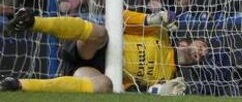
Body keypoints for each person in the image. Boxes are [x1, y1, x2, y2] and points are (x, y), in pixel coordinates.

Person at [0, 7, 208, 95]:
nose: (202, 52)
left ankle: (16, 84)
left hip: (101, 72)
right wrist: (151, 18)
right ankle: (31, 22)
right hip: (95, 47)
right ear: (183, 42)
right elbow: (120, 16)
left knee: (103, 86)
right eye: (202, 45)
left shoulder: (172, 79)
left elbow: (137, 93)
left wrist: (161, 92)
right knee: (101, 33)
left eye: (204, 56)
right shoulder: (159, 33)